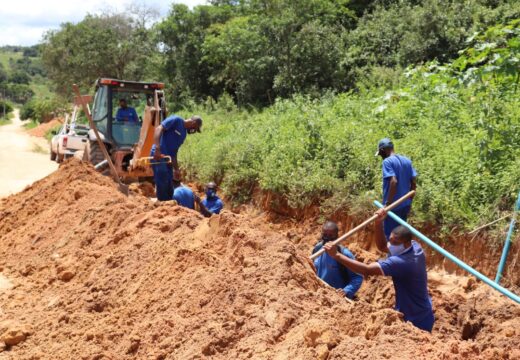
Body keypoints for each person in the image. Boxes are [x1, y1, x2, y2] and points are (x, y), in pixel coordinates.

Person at [322, 210, 434, 332]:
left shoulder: (401, 262)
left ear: (406, 244)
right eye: (390, 240)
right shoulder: (415, 247)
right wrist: (378, 223)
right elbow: (382, 247)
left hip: (417, 318)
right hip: (415, 311)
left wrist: (336, 255)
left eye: (395, 242)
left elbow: (366, 270)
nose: (390, 244)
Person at [151, 114, 202, 201]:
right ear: (193, 122)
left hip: (168, 159)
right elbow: (158, 129)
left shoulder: (183, 134)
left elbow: (174, 152)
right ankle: (162, 204)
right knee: (162, 179)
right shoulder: (176, 120)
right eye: (195, 128)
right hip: (159, 155)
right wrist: (157, 148)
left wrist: (176, 169)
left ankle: (169, 205)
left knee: (169, 183)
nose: (193, 130)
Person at [376, 138, 417, 240]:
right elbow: (413, 184)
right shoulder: (407, 161)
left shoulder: (387, 162)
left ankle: (392, 255)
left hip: (393, 208)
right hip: (404, 205)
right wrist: (409, 202)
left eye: (380, 154)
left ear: (382, 150)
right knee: (400, 236)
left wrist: (388, 205)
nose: (381, 157)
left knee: (391, 238)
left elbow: (393, 182)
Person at [311, 221, 363, 300]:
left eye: (331, 235)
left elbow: (358, 277)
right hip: (319, 297)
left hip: (339, 299)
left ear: (337, 236)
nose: (327, 238)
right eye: (325, 235)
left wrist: (346, 291)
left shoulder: (344, 254)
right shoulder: (317, 249)